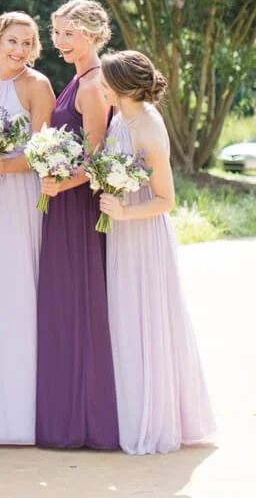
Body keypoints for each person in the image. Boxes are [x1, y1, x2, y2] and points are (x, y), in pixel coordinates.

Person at [100, 50, 215, 454]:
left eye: (105, 80)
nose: (101, 86)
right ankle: (127, 411)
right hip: (120, 232)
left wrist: (125, 211)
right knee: (122, 319)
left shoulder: (148, 127)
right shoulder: (120, 117)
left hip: (143, 235)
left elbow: (167, 199)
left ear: (121, 86)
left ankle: (151, 419)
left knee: (143, 319)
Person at [0, 12, 55, 444]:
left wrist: (4, 165)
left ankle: (23, 411)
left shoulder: (37, 84)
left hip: (22, 196)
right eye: (13, 41)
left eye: (27, 43)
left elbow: (42, 149)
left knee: (19, 284)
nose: (19, 50)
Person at [35, 0, 119, 450]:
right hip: (62, 200)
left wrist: (61, 184)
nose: (60, 41)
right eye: (57, 33)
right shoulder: (78, 79)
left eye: (69, 33)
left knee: (78, 301)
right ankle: (66, 412)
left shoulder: (94, 85)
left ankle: (86, 418)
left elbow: (97, 156)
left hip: (78, 208)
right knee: (63, 302)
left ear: (93, 34)